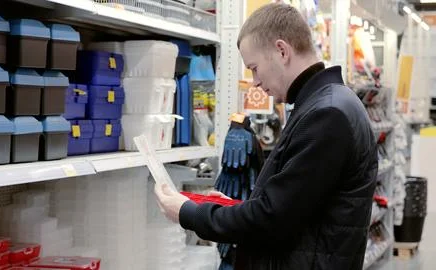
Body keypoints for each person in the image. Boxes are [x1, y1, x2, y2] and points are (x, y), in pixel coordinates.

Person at [154, 3, 378, 270]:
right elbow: (293, 206)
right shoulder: (324, 105)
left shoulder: (327, 114)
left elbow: (271, 219)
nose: (254, 82)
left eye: (254, 67)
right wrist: (233, 207)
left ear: (282, 51)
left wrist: (188, 213)